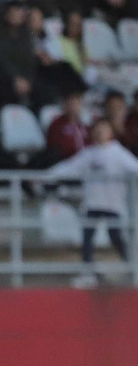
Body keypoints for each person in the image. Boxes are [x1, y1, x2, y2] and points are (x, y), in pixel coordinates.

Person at [47, 118, 138, 286]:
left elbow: (135, 167)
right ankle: (88, 274)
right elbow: (69, 167)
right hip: (92, 204)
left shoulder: (118, 153)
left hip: (112, 204)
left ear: (110, 132)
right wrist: (46, 176)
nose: (99, 133)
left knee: (116, 237)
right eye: (97, 129)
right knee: (87, 238)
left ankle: (133, 267)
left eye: (103, 129)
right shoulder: (88, 154)